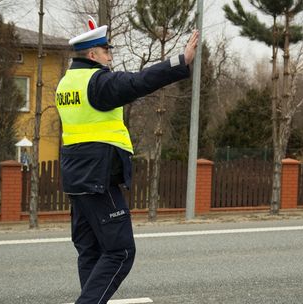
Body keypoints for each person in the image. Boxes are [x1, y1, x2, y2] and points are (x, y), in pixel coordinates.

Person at [55, 17, 199, 304]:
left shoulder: (66, 83)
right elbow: (138, 81)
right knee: (120, 252)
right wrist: (180, 61)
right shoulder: (99, 83)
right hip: (100, 180)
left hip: (76, 180)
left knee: (91, 252)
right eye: (107, 51)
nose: (111, 57)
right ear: (93, 55)